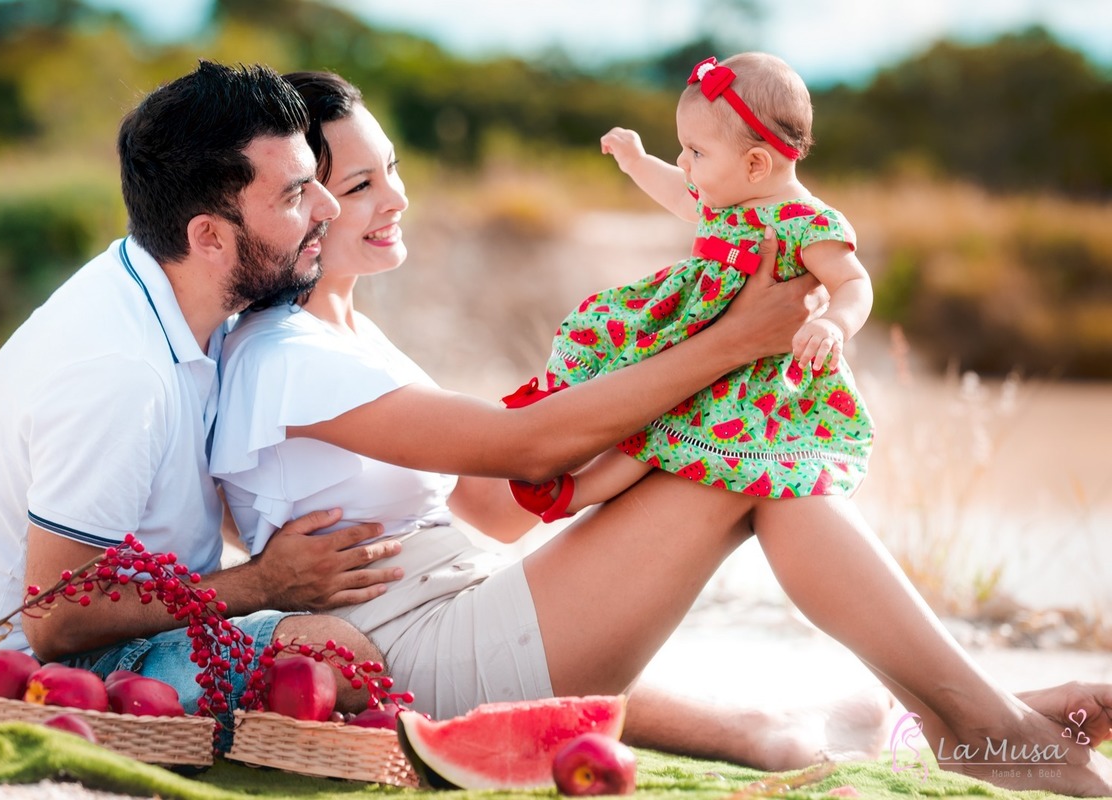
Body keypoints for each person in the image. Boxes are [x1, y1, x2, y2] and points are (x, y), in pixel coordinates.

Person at [211, 71, 1112, 794]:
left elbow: (490, 500)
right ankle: (990, 728)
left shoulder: (355, 336)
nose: (392, 197)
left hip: (467, 602)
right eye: (358, 185)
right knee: (748, 465)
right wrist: (735, 344)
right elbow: (521, 454)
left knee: (752, 464)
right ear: (298, 205)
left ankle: (979, 722)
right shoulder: (287, 351)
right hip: (431, 654)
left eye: (393, 168)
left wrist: (618, 450)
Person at [0, 61, 406, 714]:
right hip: (27, 676)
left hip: (144, 623)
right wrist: (264, 582)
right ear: (207, 236)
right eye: (297, 196)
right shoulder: (121, 372)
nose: (327, 208)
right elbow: (55, 617)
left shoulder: (187, 298)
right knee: (336, 655)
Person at [505, 52, 872, 521]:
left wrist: (835, 325)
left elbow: (853, 282)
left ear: (757, 164)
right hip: (684, 334)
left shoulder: (807, 222)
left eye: (696, 153)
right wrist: (637, 161)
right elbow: (677, 190)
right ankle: (557, 433)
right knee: (632, 392)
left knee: (661, 426)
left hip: (746, 371)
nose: (684, 162)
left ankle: (576, 494)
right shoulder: (724, 196)